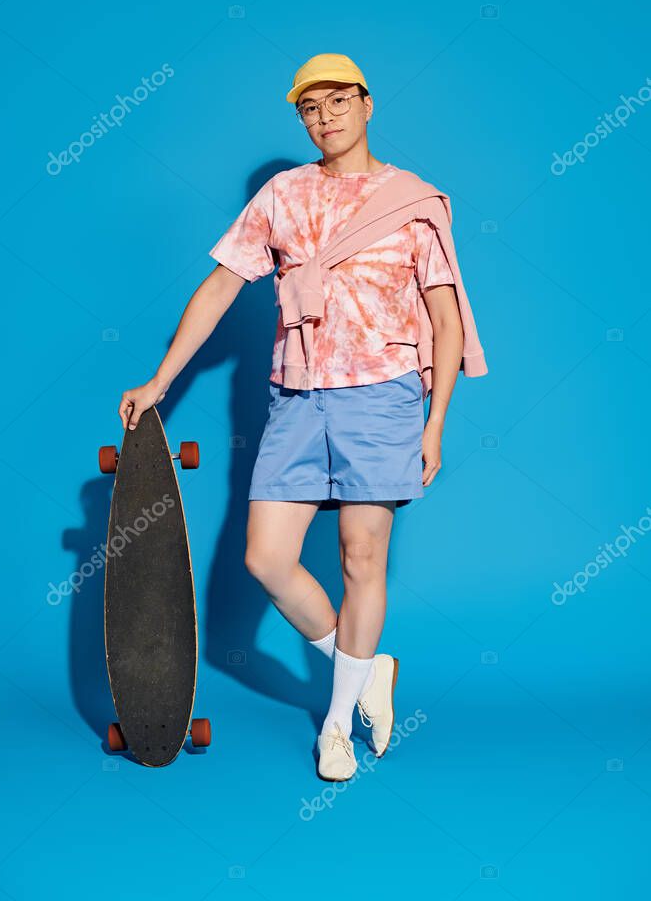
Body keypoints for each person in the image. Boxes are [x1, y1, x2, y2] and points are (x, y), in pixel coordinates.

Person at [118, 52, 487, 782]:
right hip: (295, 395)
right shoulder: (282, 195)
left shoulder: (413, 201)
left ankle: (335, 727)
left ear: (367, 103)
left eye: (337, 102)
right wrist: (161, 379)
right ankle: (367, 671)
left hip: (382, 397)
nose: (324, 118)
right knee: (266, 559)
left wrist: (434, 421)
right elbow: (222, 286)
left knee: (360, 556)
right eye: (308, 109)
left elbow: (446, 320)